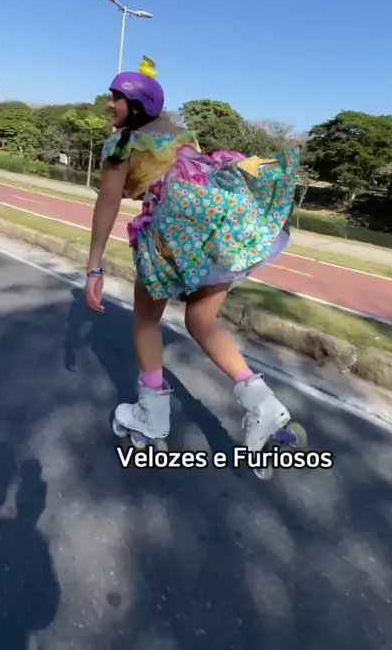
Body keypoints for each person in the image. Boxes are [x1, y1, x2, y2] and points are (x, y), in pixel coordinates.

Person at [85, 57, 300, 454]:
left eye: (116, 98)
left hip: (169, 237)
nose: (109, 104)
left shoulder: (121, 143)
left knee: (145, 321)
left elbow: (108, 203)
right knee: (201, 320)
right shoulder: (182, 133)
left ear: (137, 104)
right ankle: (264, 405)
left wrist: (94, 267)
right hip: (213, 233)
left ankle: (151, 416)